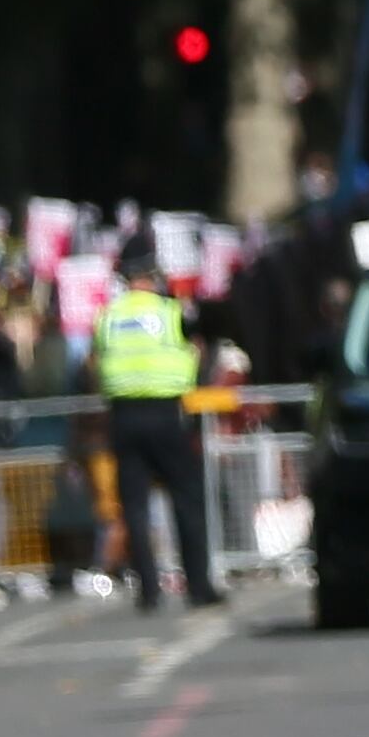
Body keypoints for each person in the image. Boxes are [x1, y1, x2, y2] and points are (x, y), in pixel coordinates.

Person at [92, 237, 223, 613]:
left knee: (134, 505)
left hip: (123, 414)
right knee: (186, 498)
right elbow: (197, 346)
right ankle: (198, 586)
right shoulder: (171, 311)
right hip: (166, 413)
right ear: (152, 273)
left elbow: (96, 361)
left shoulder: (108, 316)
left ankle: (148, 591)